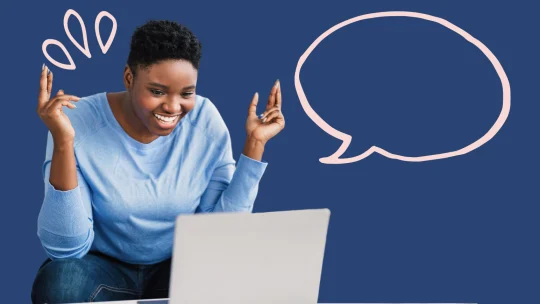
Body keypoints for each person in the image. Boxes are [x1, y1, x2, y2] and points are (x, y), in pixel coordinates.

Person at [31, 20, 285, 303]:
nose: (174, 107)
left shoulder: (204, 120)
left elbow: (221, 234)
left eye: (187, 93)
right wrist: (64, 143)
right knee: (60, 283)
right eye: (158, 91)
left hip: (179, 266)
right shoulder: (75, 121)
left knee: (240, 273)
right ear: (129, 78)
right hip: (102, 267)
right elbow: (65, 248)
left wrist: (255, 145)